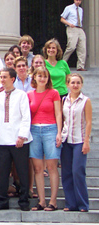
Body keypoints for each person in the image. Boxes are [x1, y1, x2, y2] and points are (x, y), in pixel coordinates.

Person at [0, 68, 32, 211]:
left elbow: (26, 116)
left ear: (13, 79)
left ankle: (24, 200)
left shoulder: (21, 95)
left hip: (19, 139)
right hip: (2, 140)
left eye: (4, 77)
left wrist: (22, 136)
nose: (2, 80)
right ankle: (2, 200)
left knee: (22, 171)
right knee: (3, 172)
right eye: (1, 77)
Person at [28, 66, 62, 211]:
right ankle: (41, 201)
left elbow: (59, 113)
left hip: (50, 129)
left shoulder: (54, 93)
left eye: (45, 76)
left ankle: (53, 201)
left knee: (52, 167)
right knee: (37, 168)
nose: (42, 78)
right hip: (34, 130)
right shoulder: (29, 94)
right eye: (40, 76)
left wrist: (59, 132)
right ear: (34, 77)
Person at [61, 73, 92, 212]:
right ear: (67, 84)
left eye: (78, 82)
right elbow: (62, 120)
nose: (75, 85)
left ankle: (83, 204)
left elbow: (89, 122)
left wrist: (86, 141)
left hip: (79, 140)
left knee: (78, 171)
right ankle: (70, 203)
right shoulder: (64, 100)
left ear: (81, 85)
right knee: (66, 172)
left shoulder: (86, 100)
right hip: (66, 140)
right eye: (72, 82)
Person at [61, 0, 87, 71]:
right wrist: (69, 24)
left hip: (79, 28)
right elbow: (62, 19)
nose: (78, 2)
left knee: (82, 48)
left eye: (79, 0)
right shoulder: (68, 8)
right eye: (77, 0)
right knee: (71, 47)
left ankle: (80, 66)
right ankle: (63, 63)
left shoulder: (81, 10)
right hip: (72, 28)